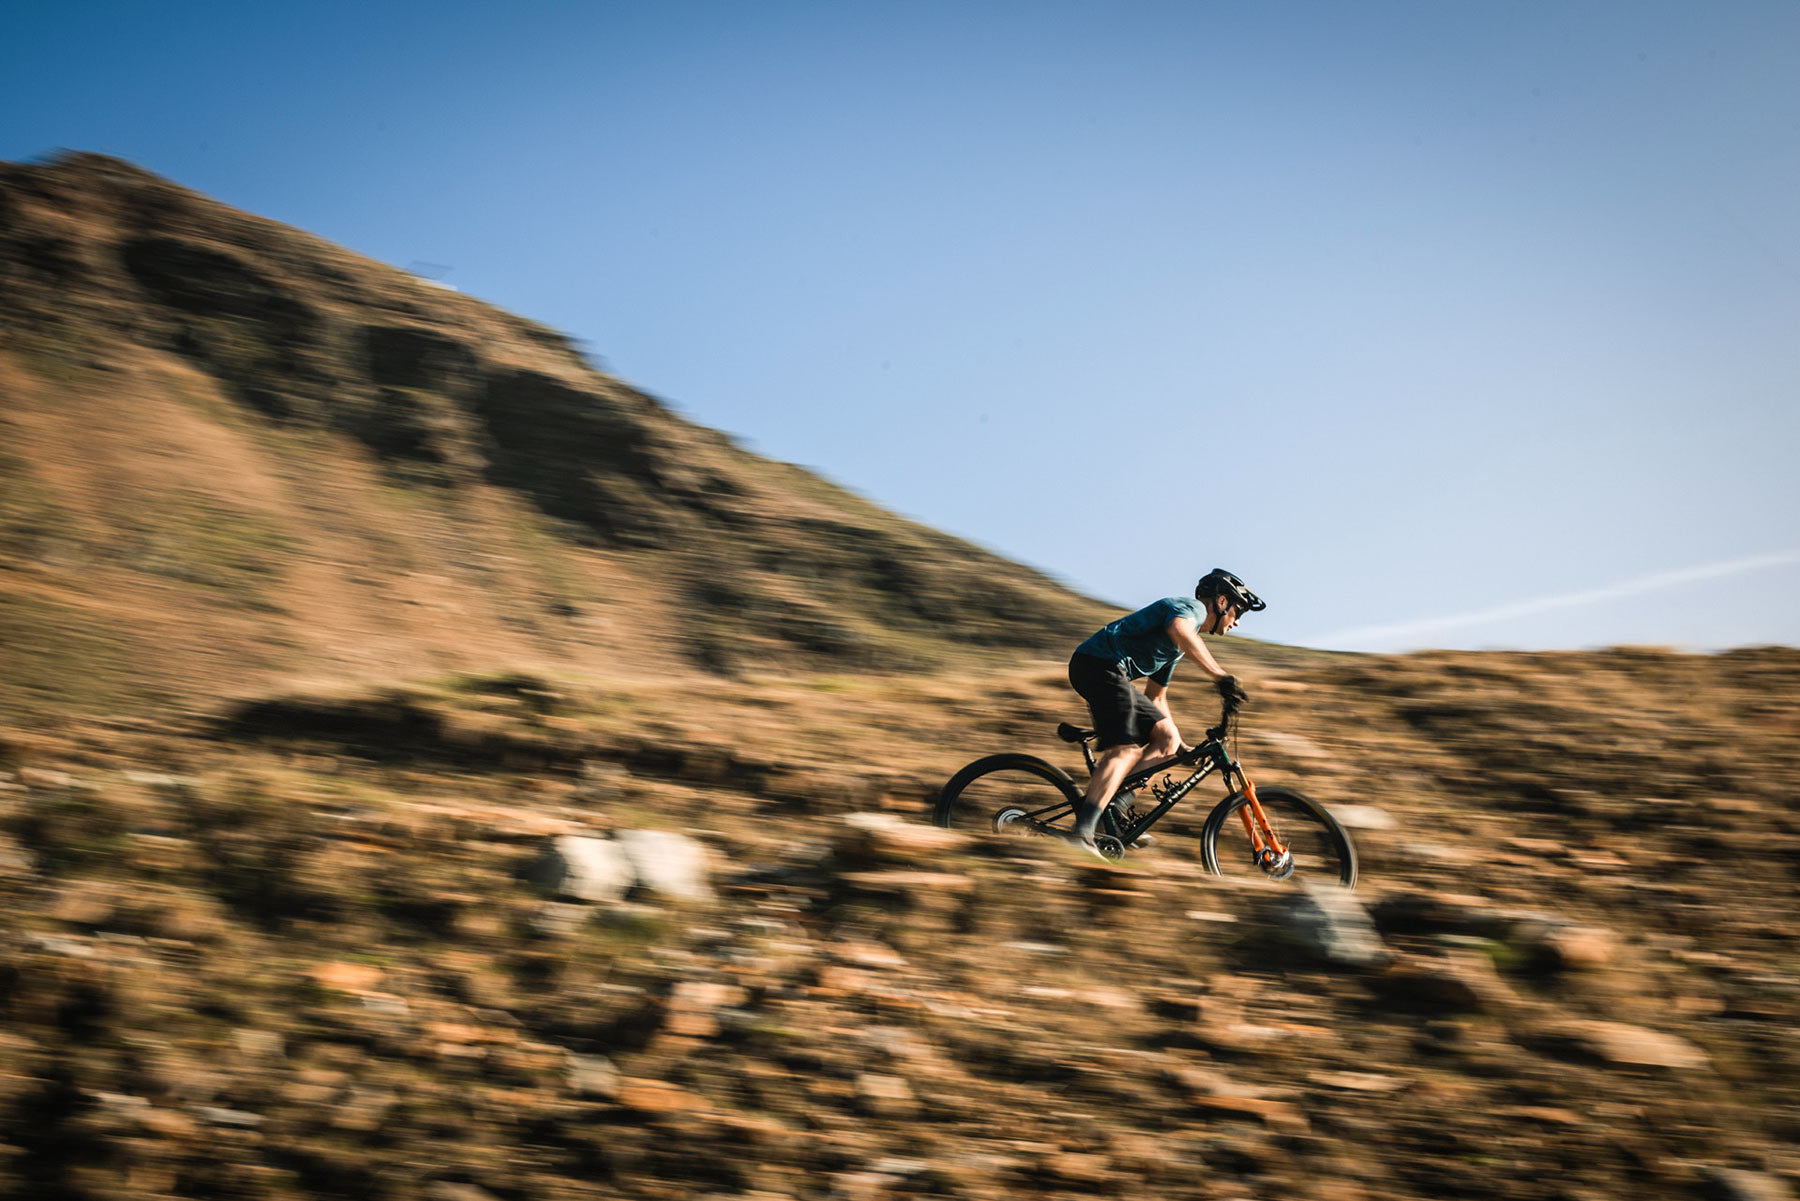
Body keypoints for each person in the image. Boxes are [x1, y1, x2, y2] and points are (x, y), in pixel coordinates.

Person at [1065, 568, 1264, 857]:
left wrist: (1181, 748)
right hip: (1098, 664)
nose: (1237, 622)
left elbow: (1156, 697)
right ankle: (1082, 833)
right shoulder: (1191, 610)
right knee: (1125, 750)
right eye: (1239, 611)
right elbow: (1179, 629)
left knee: (1166, 739)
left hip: (1105, 669)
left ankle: (1114, 810)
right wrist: (1220, 677)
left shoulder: (1178, 646)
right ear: (1221, 602)